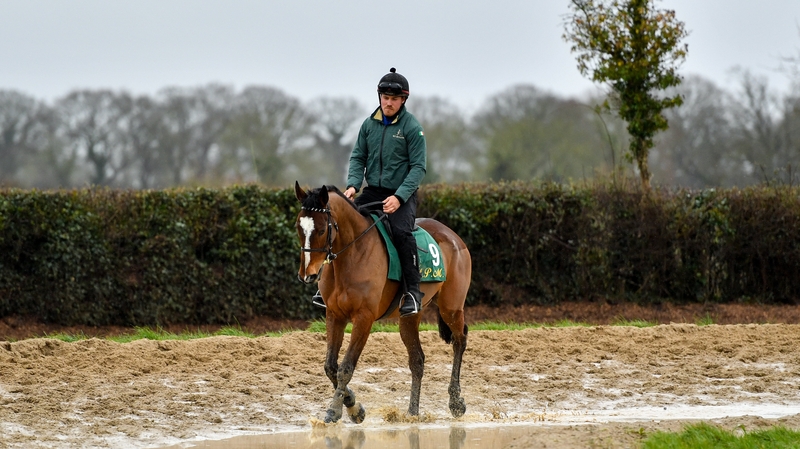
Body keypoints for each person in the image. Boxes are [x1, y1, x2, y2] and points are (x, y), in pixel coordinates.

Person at [312, 67, 427, 317]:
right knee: (341, 226)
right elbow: (358, 157)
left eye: (394, 99)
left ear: (403, 100)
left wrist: (399, 197)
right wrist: (353, 184)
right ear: (379, 98)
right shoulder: (368, 124)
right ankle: (326, 288)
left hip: (401, 196)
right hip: (372, 191)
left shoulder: (412, 128)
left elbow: (419, 167)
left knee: (401, 232)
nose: (389, 103)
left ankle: (412, 293)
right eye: (385, 98)